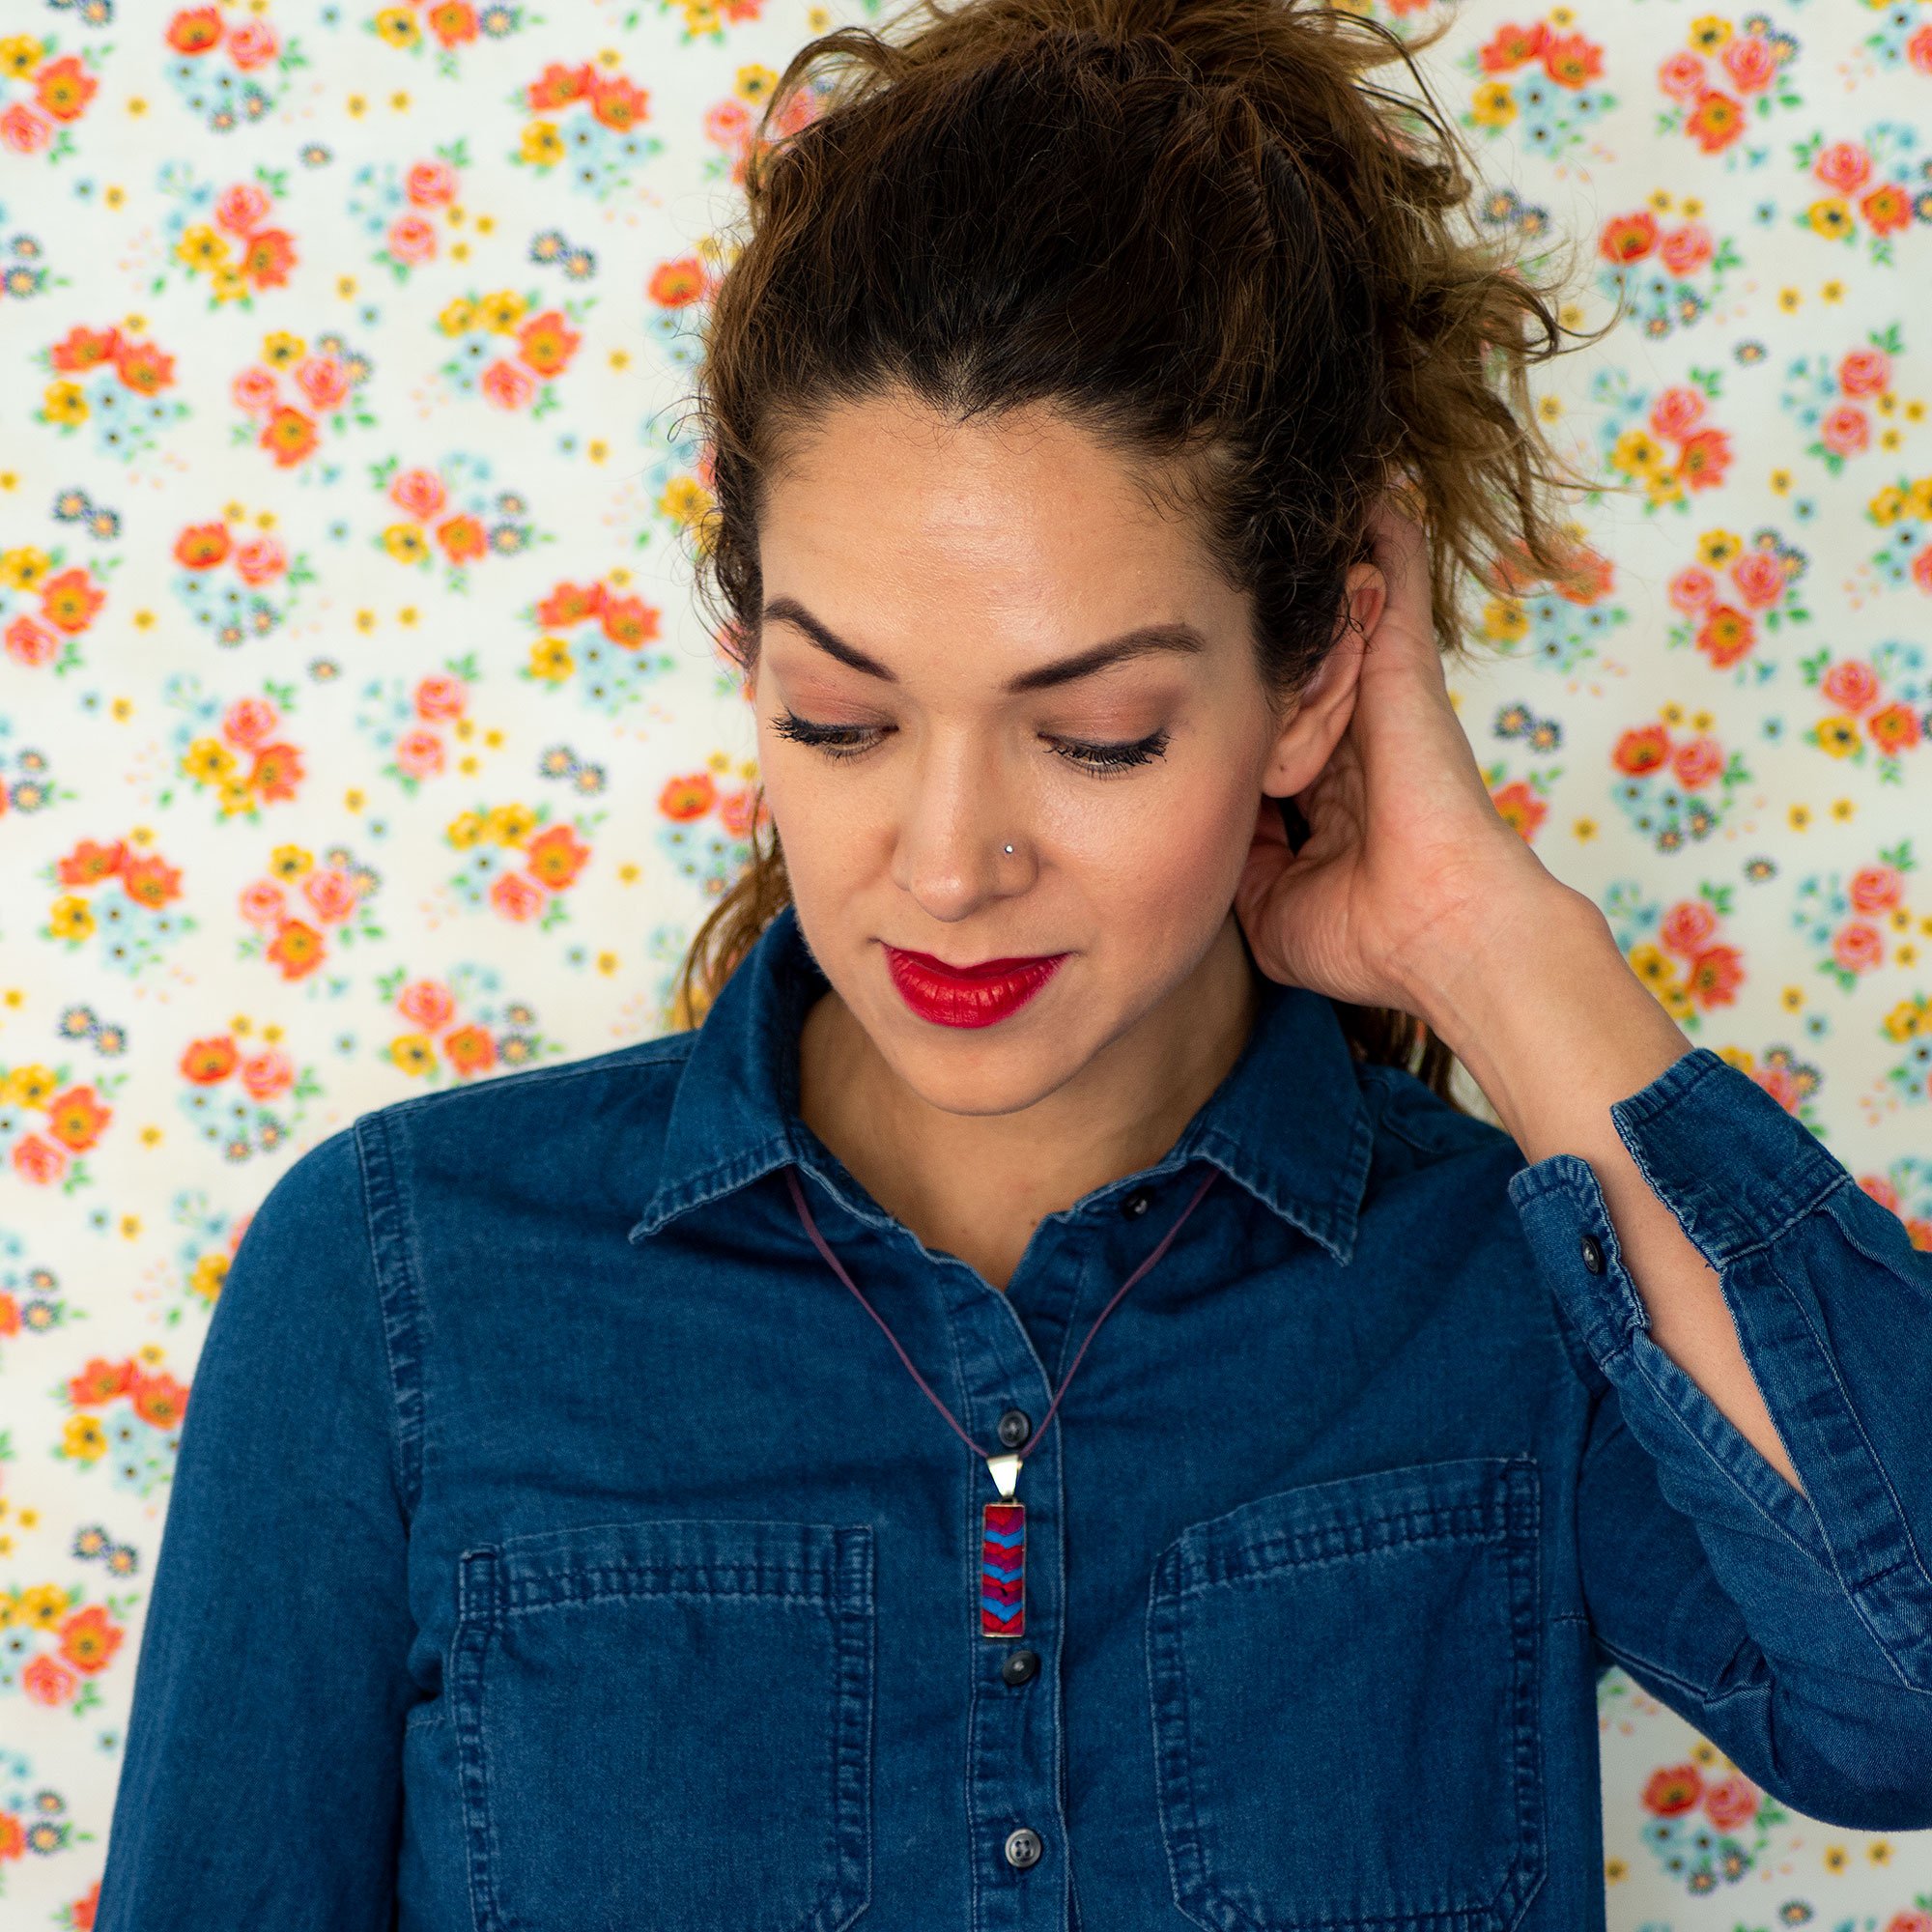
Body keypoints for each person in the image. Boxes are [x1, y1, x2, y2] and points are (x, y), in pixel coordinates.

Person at [96, 0, 1932, 1927]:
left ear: (1312, 680)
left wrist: (1492, 942)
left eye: (1099, 734)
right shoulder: (398, 1289)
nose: (948, 865)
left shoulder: (1510, 1290)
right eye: (839, 719)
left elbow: (1901, 1697)